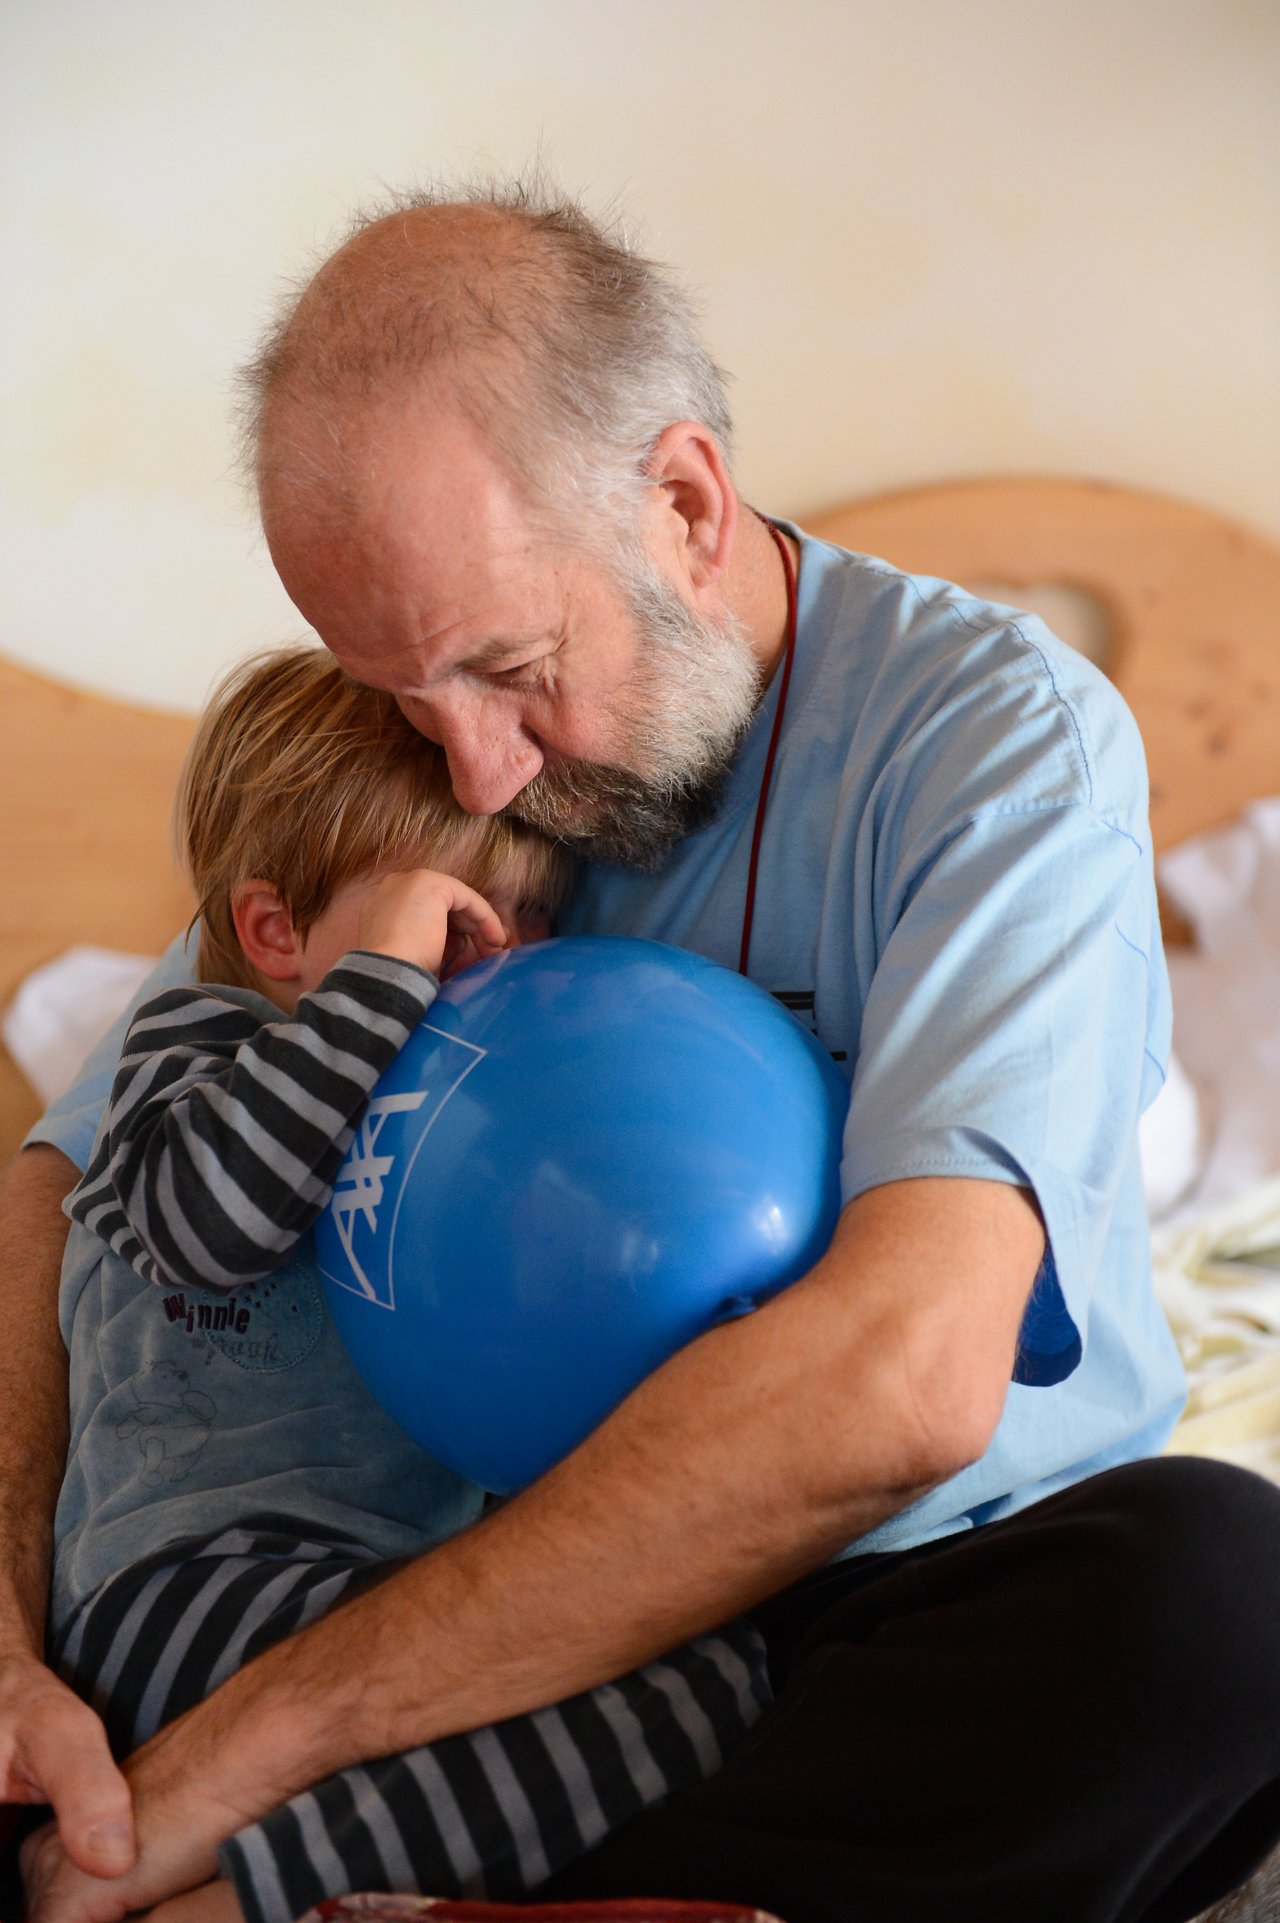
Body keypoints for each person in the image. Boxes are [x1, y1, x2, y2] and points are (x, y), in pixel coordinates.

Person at [10, 177, 1280, 1923]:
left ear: (684, 502)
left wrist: (237, 1756)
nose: (467, 772)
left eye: (511, 670)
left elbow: (910, 1379)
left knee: (1215, 1603)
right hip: (449, 1577)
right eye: (395, 691)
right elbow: (55, 1194)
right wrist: (9, 1639)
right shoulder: (387, 796)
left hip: (859, 1591)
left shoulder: (995, 740)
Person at [43, 644, 771, 1920]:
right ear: (274, 932)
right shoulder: (195, 1049)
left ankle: (259, 1889)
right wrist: (377, 988)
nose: (498, 977)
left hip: (388, 1592)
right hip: (176, 1591)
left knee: (698, 1678)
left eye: (531, 927)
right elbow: (205, 1224)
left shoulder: (468, 1108)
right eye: (455, 933)